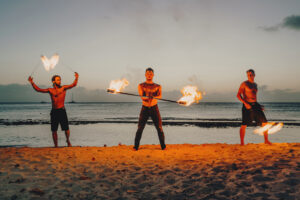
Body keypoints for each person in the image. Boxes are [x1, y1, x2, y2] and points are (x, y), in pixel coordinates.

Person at [28, 72, 79, 147]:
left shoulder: (63, 88)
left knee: (66, 129)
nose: (60, 81)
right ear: (53, 81)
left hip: (62, 110)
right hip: (54, 111)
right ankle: (56, 145)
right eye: (58, 80)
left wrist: (76, 77)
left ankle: (68, 140)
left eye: (60, 80)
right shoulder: (50, 90)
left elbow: (73, 85)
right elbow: (39, 90)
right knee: (54, 130)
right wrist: (32, 82)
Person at [134, 68, 166, 151]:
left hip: (154, 108)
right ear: (145, 75)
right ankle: (135, 147)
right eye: (148, 73)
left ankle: (163, 147)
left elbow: (159, 96)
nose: (149, 75)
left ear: (153, 75)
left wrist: (154, 97)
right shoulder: (141, 85)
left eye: (151, 73)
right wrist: (147, 97)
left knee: (159, 128)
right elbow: (142, 97)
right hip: (144, 108)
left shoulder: (158, 86)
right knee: (140, 128)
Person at [237, 69, 271, 145]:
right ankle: (242, 143)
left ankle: (266, 140)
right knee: (244, 124)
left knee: (265, 122)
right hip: (247, 105)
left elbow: (254, 97)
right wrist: (245, 103)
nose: (250, 76)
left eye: (251, 74)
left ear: (254, 75)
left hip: (255, 104)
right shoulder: (244, 84)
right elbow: (238, 95)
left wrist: (259, 105)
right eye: (248, 75)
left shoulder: (255, 85)